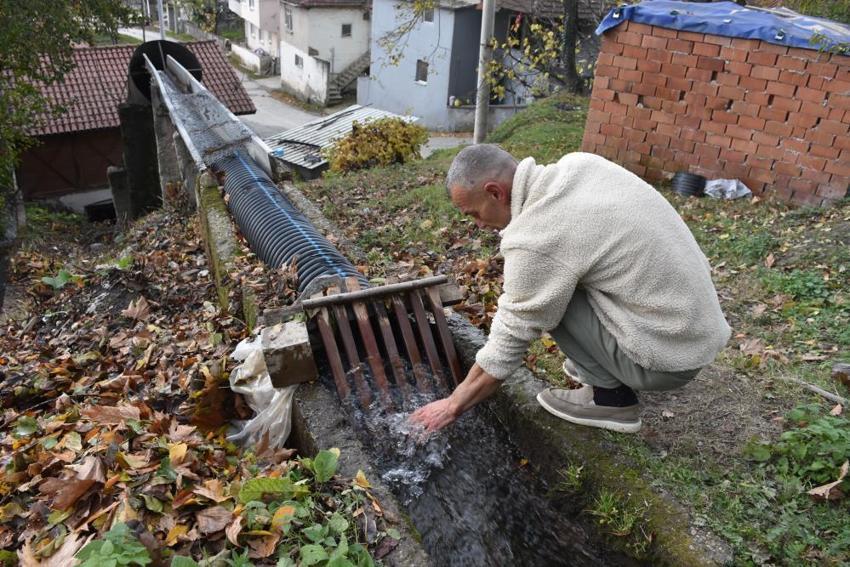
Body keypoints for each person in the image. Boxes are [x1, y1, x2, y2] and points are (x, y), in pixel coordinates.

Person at [409, 145, 730, 434]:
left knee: (547, 295)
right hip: (696, 328)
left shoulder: (537, 238)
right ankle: (601, 363)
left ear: (495, 192)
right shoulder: (580, 165)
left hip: (669, 357)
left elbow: (510, 337)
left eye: (474, 214)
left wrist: (453, 404)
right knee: (562, 276)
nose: (478, 225)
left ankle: (611, 400)